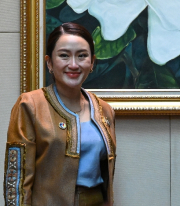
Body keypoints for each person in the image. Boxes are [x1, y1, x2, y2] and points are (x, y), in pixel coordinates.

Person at [4, 22, 116, 205]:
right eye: (64, 56)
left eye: (82, 56)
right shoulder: (30, 105)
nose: (73, 64)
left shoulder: (104, 110)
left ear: (92, 62)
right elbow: (16, 179)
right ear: (49, 62)